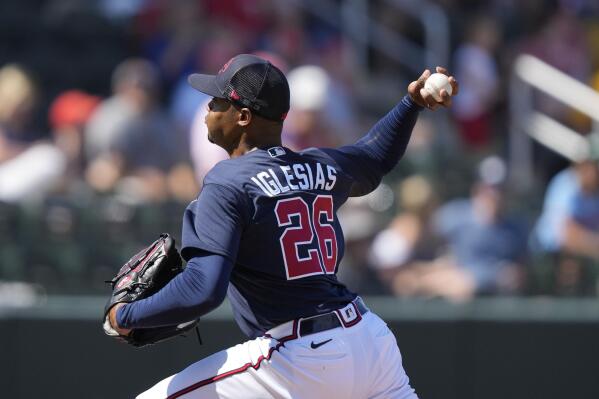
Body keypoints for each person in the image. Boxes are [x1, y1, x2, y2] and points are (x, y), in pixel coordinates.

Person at [107, 54, 457, 398]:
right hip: (371, 342)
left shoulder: (228, 181)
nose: (208, 109)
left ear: (243, 116)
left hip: (301, 356)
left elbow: (203, 289)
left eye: (216, 101)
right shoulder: (320, 166)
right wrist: (410, 105)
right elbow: (374, 157)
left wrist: (126, 315)